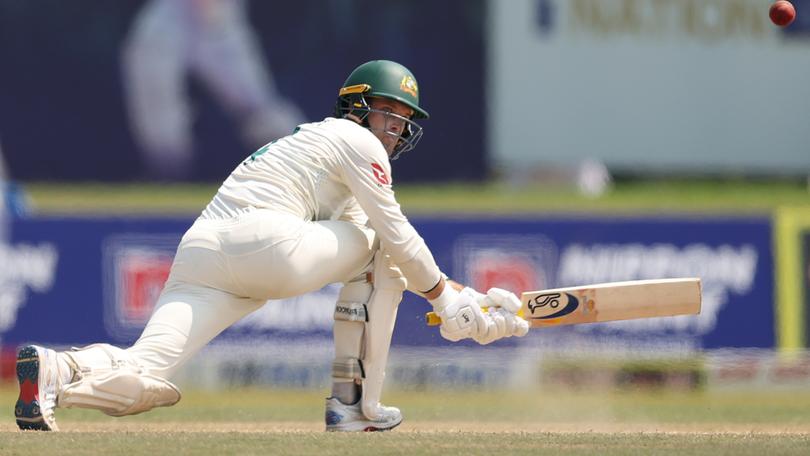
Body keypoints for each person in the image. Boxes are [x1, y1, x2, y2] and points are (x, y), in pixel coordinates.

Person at [14, 60, 529, 433]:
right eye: (386, 114)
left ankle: (57, 371)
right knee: (380, 242)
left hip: (204, 250)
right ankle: (353, 406)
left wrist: (466, 299)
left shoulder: (315, 149)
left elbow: (384, 256)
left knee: (145, 369)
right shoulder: (359, 142)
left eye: (402, 121)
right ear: (357, 108)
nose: (393, 131)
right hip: (267, 243)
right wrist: (445, 299)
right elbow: (392, 236)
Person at [122, 0, 305, 179]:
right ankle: (169, 174)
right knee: (158, 111)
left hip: (219, 19)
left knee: (258, 107)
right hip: (171, 15)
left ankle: (309, 165)